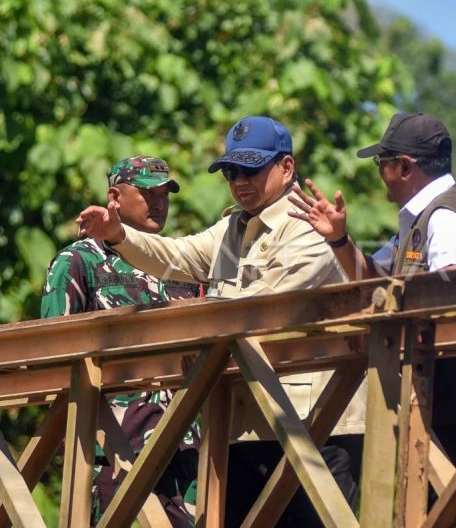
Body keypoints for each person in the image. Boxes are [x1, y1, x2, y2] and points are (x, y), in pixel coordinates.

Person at [75, 117, 364, 526]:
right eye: (231, 172)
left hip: (313, 423)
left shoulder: (310, 225)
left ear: (286, 168)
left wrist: (193, 323)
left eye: (252, 169)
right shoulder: (233, 226)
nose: (240, 182)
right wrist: (119, 235)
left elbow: (264, 306)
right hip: (245, 423)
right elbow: (177, 257)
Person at [288, 112, 456, 509]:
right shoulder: (421, 218)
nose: (379, 172)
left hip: (452, 395)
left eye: (381, 163)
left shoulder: (445, 217)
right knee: (448, 507)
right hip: (437, 393)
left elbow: (452, 298)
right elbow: (376, 277)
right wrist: (340, 241)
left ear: (404, 166)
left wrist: (383, 331)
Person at [42, 155, 200, 526]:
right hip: (115, 449)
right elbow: (53, 354)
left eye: (165, 194)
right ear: (115, 196)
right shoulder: (79, 261)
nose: (159, 202)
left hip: (187, 448)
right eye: (148, 193)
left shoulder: (181, 266)